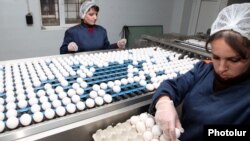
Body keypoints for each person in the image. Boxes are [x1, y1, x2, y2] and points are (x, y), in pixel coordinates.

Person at [149, 3, 250, 141]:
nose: (221, 68)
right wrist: (163, 102)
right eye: (216, 57)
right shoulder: (204, 70)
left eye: (233, 60)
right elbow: (172, 85)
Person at [60, 0, 127, 54]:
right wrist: (68, 48)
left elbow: (105, 49)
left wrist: (117, 45)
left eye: (96, 14)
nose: (95, 17)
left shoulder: (102, 31)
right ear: (83, 15)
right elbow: (62, 51)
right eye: (91, 14)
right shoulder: (72, 32)